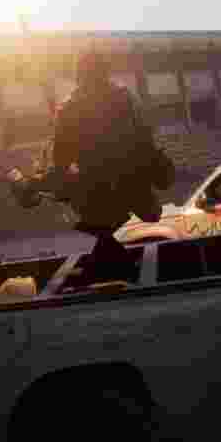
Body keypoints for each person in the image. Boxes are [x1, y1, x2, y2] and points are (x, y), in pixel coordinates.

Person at [11, 48, 175, 281]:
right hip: (130, 188)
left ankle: (25, 187)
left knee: (53, 180)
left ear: (80, 75)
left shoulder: (69, 107)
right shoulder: (126, 98)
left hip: (94, 193)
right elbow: (146, 141)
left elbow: (60, 162)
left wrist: (41, 181)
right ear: (106, 72)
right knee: (145, 207)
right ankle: (29, 187)